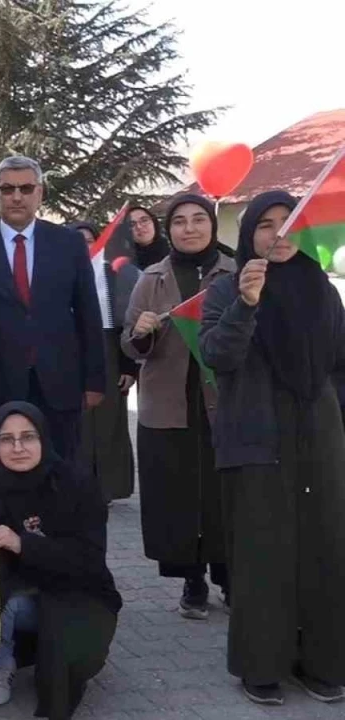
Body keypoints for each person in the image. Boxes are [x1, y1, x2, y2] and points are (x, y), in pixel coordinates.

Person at [200, 190, 345, 706]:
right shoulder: (226, 288)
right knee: (264, 554)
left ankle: (321, 661)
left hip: (318, 440)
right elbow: (216, 355)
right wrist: (246, 304)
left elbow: (339, 365)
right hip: (256, 437)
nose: (279, 233)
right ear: (248, 235)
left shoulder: (321, 289)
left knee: (323, 549)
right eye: (266, 224)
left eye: (289, 222)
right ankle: (260, 665)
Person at [0, 156, 105, 463]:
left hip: (59, 383)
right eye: (7, 189)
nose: (16, 197)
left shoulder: (69, 243)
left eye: (26, 188)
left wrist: (94, 380)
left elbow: (88, 313)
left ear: (40, 193)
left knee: (61, 469)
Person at [121, 194, 233, 619]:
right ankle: (192, 580)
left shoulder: (234, 271)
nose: (190, 228)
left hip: (223, 405)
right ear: (169, 231)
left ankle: (229, 576)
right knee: (179, 500)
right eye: (180, 221)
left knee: (224, 497)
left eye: (198, 219)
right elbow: (130, 345)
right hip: (170, 407)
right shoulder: (152, 278)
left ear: (212, 225)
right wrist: (142, 331)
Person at [0, 402, 121, 718]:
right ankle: (1, 664)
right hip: (19, 595)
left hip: (80, 592)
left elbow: (88, 560)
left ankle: (53, 655)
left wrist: (22, 543)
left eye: (28, 437)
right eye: (6, 439)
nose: (18, 448)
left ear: (43, 437)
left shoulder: (77, 483)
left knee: (78, 660)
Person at [70, 222, 137, 502]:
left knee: (109, 426)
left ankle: (108, 488)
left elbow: (127, 323)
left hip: (110, 356)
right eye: (77, 241)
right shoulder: (62, 275)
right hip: (72, 359)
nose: (84, 246)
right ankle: (79, 488)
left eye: (89, 240)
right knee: (79, 428)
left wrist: (129, 367)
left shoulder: (114, 275)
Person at [128, 205, 169, 270]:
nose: (139, 227)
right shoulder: (125, 264)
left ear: (154, 222)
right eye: (132, 224)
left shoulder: (174, 252)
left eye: (144, 220)